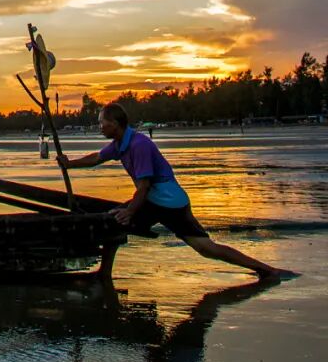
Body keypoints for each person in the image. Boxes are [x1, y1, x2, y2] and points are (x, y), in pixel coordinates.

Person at [58, 103, 280, 278]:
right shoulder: (120, 143)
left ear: (115, 123)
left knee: (115, 222)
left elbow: (144, 187)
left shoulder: (138, 145)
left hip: (165, 201)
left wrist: (130, 211)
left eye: (102, 122)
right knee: (205, 248)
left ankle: (265, 269)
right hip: (162, 199)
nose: (100, 127)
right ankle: (265, 270)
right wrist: (69, 164)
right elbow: (97, 157)